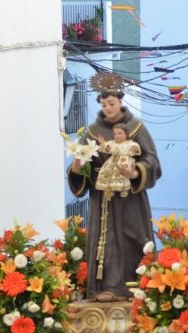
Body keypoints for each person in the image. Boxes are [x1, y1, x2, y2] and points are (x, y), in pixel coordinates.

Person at [67, 72, 162, 300]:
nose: (108, 108)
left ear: (120, 102)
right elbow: (82, 162)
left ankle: (136, 288)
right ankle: (105, 288)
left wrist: (134, 172)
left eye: (112, 103)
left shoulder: (136, 128)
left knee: (133, 238)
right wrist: (78, 167)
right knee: (105, 241)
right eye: (103, 104)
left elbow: (152, 162)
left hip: (130, 197)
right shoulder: (92, 132)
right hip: (102, 196)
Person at [95, 124, 142, 197]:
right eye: (115, 134)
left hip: (124, 161)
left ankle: (124, 189)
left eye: (120, 133)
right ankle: (110, 188)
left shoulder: (130, 143)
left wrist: (134, 149)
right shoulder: (112, 143)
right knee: (108, 173)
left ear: (126, 134)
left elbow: (135, 151)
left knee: (122, 174)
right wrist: (103, 143)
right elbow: (108, 147)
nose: (117, 135)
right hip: (113, 161)